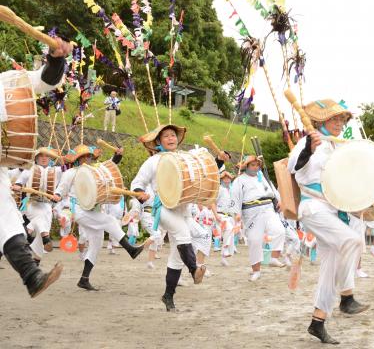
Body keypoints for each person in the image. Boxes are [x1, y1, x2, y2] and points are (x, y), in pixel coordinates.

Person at [288, 98, 368, 344]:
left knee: (329, 267)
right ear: (321, 120)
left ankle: (318, 321)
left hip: (333, 211)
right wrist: (308, 150)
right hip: (314, 208)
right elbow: (295, 168)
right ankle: (346, 298)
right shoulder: (308, 141)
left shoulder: (336, 146)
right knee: (353, 242)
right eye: (334, 119)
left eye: (342, 119)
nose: (339, 123)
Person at [0, 37, 70, 297]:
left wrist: (56, 57)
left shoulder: (6, 82)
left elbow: (45, 80)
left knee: (6, 214)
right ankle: (31, 276)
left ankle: (31, 275)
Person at [131, 124, 208, 311]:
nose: (171, 138)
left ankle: (168, 296)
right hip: (163, 208)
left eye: (173, 135)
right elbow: (137, 183)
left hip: (183, 210)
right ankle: (193, 270)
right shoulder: (153, 161)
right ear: (159, 141)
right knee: (182, 233)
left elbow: (201, 172)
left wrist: (219, 163)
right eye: (166, 136)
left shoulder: (184, 158)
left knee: (176, 257)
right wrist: (140, 192)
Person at [53, 144, 142, 290]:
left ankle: (84, 279)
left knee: (96, 244)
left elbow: (108, 167)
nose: (87, 159)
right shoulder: (71, 173)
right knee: (110, 221)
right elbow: (61, 189)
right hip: (80, 210)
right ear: (77, 159)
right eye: (84, 157)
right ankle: (131, 249)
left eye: (88, 156)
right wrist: (56, 196)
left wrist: (118, 155)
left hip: (93, 210)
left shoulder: (94, 171)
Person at [230, 155, 286, 281]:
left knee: (279, 230)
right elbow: (235, 197)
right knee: (255, 241)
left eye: (257, 165)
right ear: (247, 167)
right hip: (251, 212)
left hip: (267, 208)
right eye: (252, 165)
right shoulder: (239, 181)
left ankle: (274, 258)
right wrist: (237, 213)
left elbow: (272, 191)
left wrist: (280, 201)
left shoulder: (263, 177)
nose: (255, 167)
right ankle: (256, 271)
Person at [13, 147, 62, 262]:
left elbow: (71, 169)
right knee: (41, 217)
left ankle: (35, 260)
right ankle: (46, 237)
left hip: (47, 205)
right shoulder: (29, 169)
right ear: (36, 158)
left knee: (40, 234)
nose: (44, 158)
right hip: (31, 204)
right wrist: (17, 186)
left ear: (50, 158)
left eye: (47, 156)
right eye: (41, 156)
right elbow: (20, 182)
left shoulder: (57, 171)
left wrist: (58, 195)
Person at [216, 170, 238, 266]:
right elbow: (213, 201)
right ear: (221, 180)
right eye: (224, 178)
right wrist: (215, 215)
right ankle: (224, 250)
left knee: (229, 234)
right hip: (220, 215)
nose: (227, 180)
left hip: (229, 216)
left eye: (228, 178)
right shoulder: (219, 189)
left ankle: (223, 258)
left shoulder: (232, 190)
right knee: (228, 229)